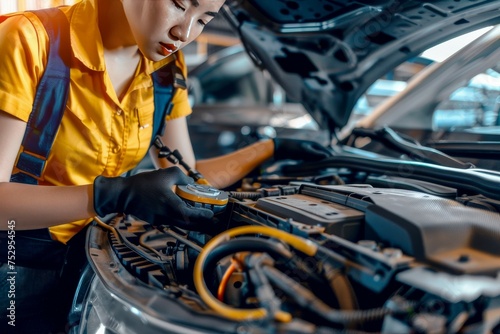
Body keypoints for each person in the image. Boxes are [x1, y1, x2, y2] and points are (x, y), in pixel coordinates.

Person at [0, 0, 331, 332]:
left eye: (203, 19)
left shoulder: (167, 67)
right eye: (179, 4)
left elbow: (189, 177)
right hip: (15, 266)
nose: (184, 32)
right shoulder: (29, 41)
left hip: (87, 263)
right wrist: (111, 196)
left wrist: (269, 148)